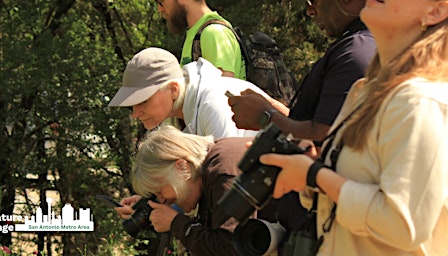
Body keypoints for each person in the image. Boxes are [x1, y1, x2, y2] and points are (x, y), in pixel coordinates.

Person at [260, 0, 448, 255]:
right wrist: (311, 170)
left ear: (435, 11)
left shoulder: (419, 101)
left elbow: (404, 226)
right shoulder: (366, 89)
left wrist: (315, 175)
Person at [115, 125, 278, 256]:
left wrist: (176, 223)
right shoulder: (211, 164)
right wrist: (148, 208)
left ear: (182, 167)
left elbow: (232, 248)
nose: (162, 200)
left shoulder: (223, 172)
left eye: (159, 191)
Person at [229, 0, 376, 143]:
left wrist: (265, 117)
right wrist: (271, 108)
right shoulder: (356, 45)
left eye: (312, 1)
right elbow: (316, 123)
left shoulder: (355, 52)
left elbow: (323, 139)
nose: (310, 11)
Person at [108, 47, 268, 139]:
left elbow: (228, 171)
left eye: (143, 101)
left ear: (173, 90)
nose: (135, 114)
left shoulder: (212, 104)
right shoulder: (180, 120)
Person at [155, 0, 244, 78]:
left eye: (161, 2)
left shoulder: (213, 33)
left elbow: (222, 94)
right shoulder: (197, 33)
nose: (160, 9)